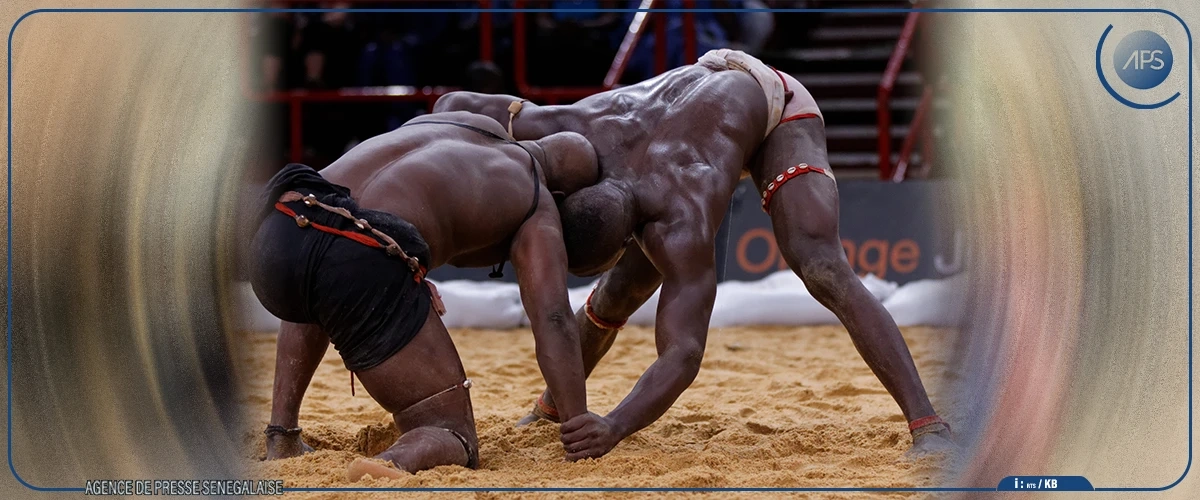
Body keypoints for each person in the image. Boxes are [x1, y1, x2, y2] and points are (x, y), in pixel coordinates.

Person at [433, 49, 954, 461]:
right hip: (692, 101)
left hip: (776, 107)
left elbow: (683, 354)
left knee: (820, 263)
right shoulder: (569, 127)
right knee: (616, 295)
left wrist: (614, 425)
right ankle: (554, 407)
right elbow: (450, 106)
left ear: (632, 234)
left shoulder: (680, 219)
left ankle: (926, 420)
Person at [251, 111, 601, 478]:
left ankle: (282, 434)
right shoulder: (536, 197)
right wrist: (576, 422)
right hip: (355, 259)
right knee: (454, 434)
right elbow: (554, 316)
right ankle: (390, 464)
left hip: (283, 221)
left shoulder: (464, 118)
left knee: (323, 267)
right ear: (561, 195)